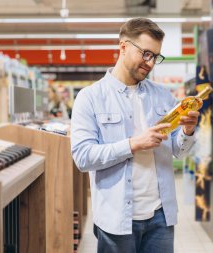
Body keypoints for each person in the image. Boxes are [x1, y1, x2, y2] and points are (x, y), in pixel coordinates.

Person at [71, 18, 200, 253]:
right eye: (146, 53)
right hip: (117, 220)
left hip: (161, 217)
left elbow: (179, 151)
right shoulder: (90, 98)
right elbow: (82, 157)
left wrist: (187, 131)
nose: (150, 63)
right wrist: (132, 144)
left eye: (156, 57)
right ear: (123, 47)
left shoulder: (163, 96)